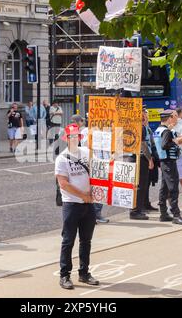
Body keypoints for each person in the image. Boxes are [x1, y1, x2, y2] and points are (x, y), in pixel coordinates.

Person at [55, 123, 99, 289]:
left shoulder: (87, 153)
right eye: (71, 136)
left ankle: (84, 273)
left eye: (77, 136)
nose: (74, 138)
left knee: (86, 241)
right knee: (68, 241)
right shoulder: (62, 158)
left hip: (88, 205)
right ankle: (64, 275)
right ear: (66, 138)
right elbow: (64, 183)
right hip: (72, 205)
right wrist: (83, 196)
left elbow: (98, 171)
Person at [70, 114, 109, 224]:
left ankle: (95, 214)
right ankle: (94, 214)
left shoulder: (102, 132)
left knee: (98, 189)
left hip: (99, 163)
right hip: (92, 163)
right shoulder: (85, 132)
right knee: (94, 189)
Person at [153, 110, 182, 225]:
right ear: (169, 118)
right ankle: (176, 215)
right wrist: (175, 141)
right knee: (173, 188)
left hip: (164, 162)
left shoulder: (158, 130)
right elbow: (164, 145)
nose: (175, 119)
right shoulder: (166, 131)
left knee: (164, 188)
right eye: (173, 117)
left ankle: (163, 213)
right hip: (169, 162)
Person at [129, 109, 156, 219]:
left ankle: (138, 209)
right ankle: (135, 211)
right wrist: (149, 159)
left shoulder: (137, 126)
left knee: (141, 185)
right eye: (143, 113)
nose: (145, 115)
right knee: (140, 185)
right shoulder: (140, 127)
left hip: (137, 157)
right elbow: (143, 145)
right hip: (140, 158)